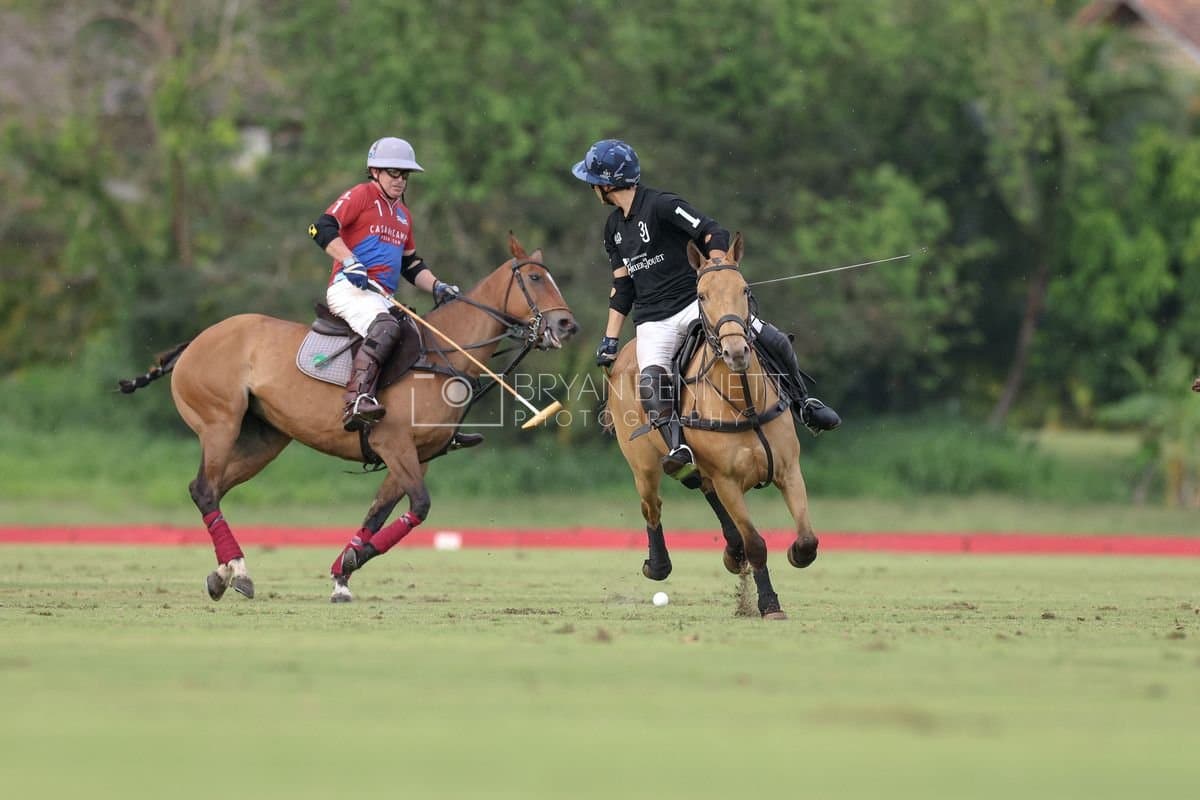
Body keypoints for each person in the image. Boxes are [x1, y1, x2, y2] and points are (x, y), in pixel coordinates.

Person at [572, 138, 840, 482]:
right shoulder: (613, 229)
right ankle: (678, 449)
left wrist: (716, 267)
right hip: (654, 320)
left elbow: (712, 231)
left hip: (695, 305)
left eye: (593, 180)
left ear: (606, 183)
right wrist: (610, 339)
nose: (592, 187)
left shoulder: (662, 205)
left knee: (770, 337)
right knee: (651, 380)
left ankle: (804, 404)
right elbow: (622, 288)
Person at [309, 136, 481, 448]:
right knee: (386, 327)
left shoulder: (403, 215)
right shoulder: (361, 196)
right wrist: (349, 261)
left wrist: (438, 286)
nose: (400, 180)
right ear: (375, 171)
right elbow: (320, 227)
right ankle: (357, 400)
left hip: (380, 296)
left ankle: (434, 427)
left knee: (420, 335)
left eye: (405, 175)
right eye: (393, 173)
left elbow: (411, 264)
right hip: (350, 288)